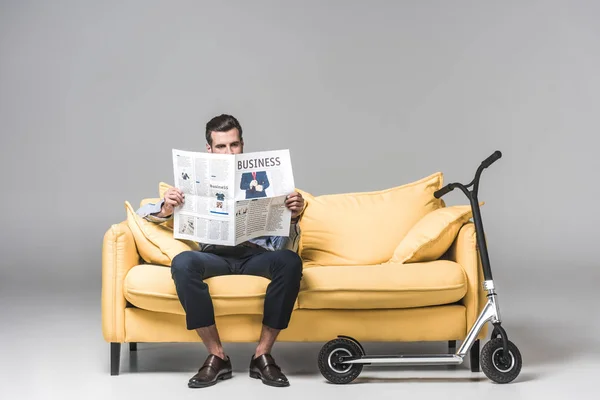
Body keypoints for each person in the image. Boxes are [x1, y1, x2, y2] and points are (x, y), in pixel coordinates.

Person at [136, 114, 305, 389]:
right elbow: (144, 214)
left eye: (234, 145)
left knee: (290, 262)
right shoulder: (193, 181)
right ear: (209, 149)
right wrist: (166, 208)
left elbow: (284, 244)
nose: (229, 152)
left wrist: (294, 217)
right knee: (182, 262)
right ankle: (217, 355)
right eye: (222, 146)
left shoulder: (267, 178)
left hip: (256, 255)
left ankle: (262, 355)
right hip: (214, 256)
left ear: (242, 145)